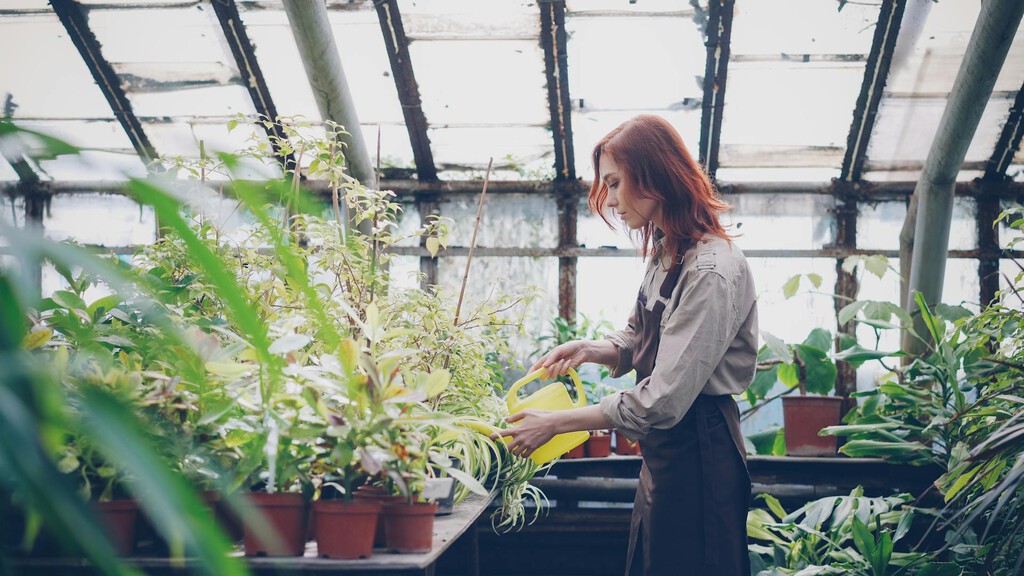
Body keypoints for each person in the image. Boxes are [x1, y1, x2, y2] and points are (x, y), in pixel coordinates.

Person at [494, 115, 757, 576]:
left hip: (700, 455)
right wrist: (597, 349)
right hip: (665, 457)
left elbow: (663, 400)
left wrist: (556, 423)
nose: (611, 201)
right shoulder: (668, 249)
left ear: (654, 175)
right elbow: (645, 334)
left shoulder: (711, 272)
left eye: (615, 184)